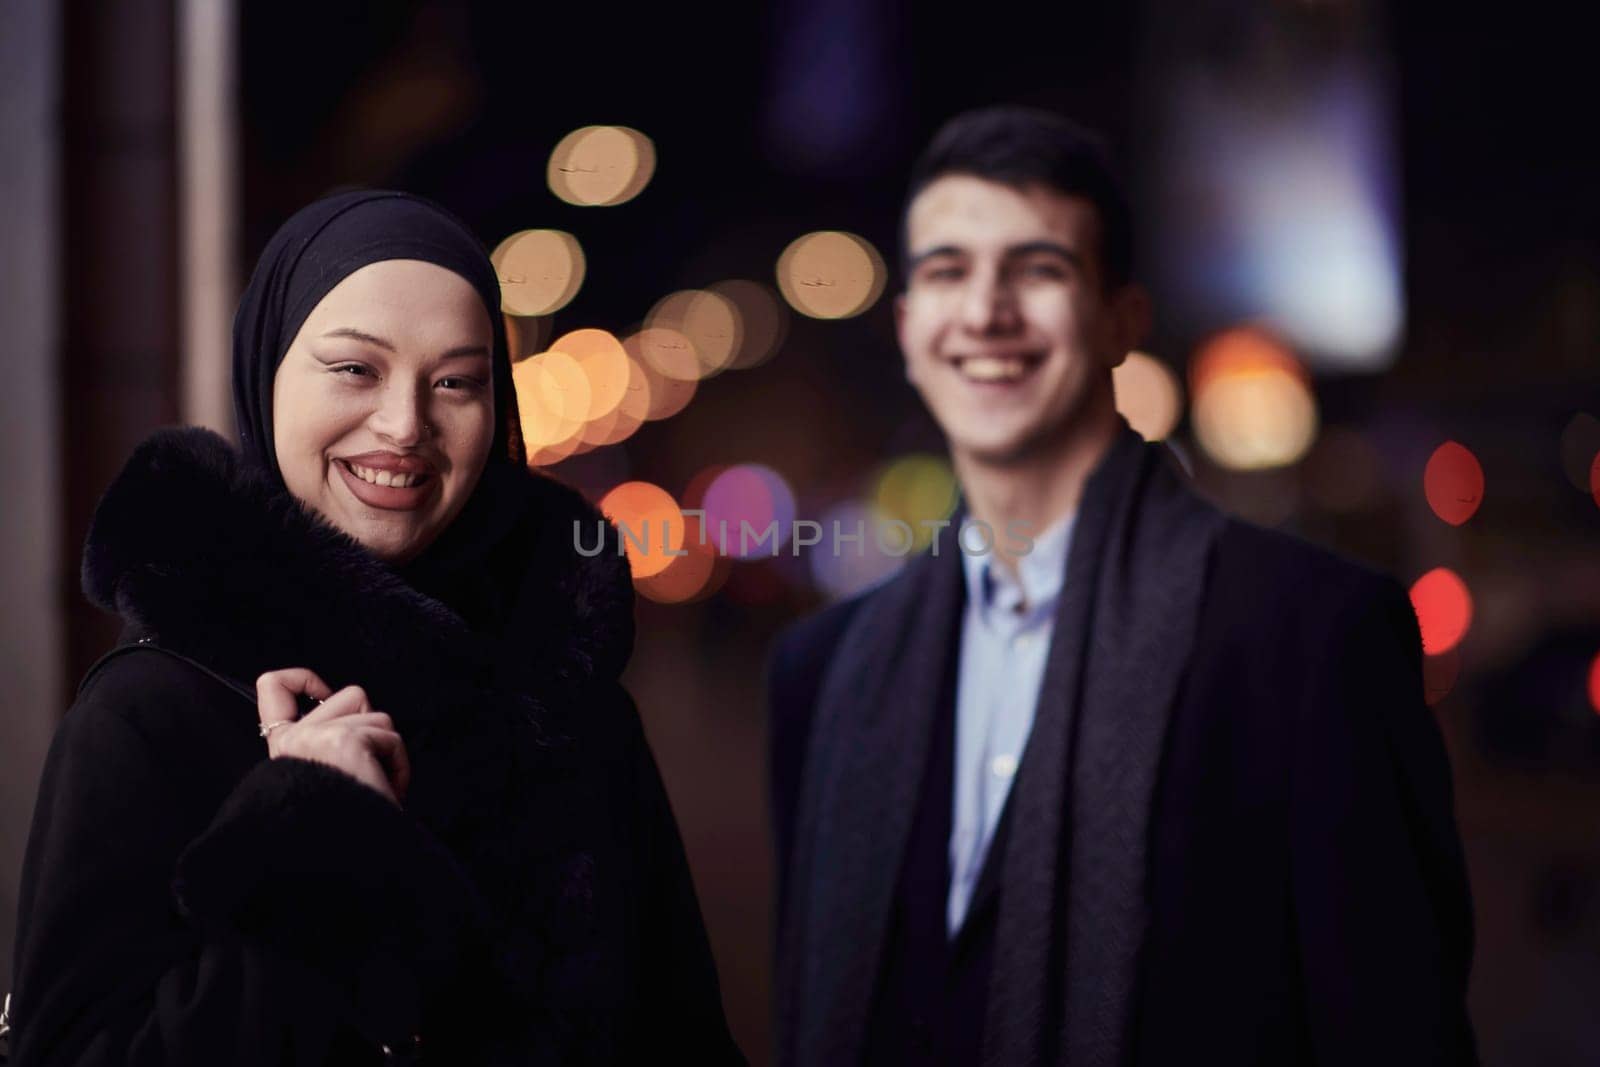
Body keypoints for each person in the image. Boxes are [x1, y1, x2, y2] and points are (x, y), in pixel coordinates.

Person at [768, 107, 1477, 1066]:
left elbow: (1401, 1036)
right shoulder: (820, 675)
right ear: (907, 328)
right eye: (946, 271)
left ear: (1120, 321)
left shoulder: (1312, 638)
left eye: (1038, 268)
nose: (985, 311)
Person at [8, 190, 744, 1065]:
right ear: (266, 372)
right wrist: (310, 831)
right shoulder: (153, 711)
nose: (405, 426)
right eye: (355, 369)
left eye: (456, 382)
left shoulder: (570, 700)